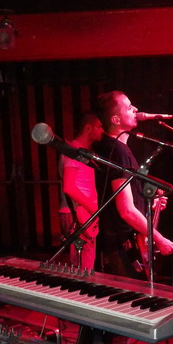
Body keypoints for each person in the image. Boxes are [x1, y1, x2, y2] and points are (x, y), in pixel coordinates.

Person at [92, 91, 173, 279]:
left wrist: (149, 202)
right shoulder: (118, 152)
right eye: (129, 107)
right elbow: (126, 210)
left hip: (124, 243)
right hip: (122, 246)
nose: (136, 109)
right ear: (116, 119)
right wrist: (159, 239)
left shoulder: (117, 149)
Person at [60, 111, 103, 270]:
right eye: (99, 127)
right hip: (79, 214)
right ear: (88, 128)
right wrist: (94, 209)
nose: (102, 131)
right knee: (82, 268)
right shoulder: (73, 151)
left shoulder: (83, 151)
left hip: (84, 213)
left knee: (85, 266)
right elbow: (69, 187)